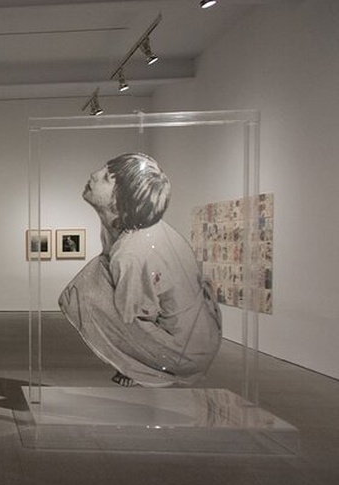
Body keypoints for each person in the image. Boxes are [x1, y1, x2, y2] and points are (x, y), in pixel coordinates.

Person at [58, 153, 222, 387]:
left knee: (83, 292)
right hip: (202, 338)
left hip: (186, 353)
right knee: (100, 271)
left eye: (106, 177)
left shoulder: (132, 252)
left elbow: (135, 314)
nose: (94, 175)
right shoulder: (136, 231)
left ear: (119, 200)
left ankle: (145, 369)